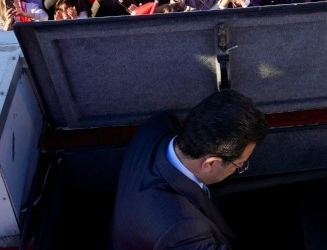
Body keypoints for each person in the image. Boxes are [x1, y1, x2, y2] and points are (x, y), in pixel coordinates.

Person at [111, 90, 268, 250]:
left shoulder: (158, 125)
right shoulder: (182, 232)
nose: (241, 168)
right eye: (240, 164)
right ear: (210, 163)